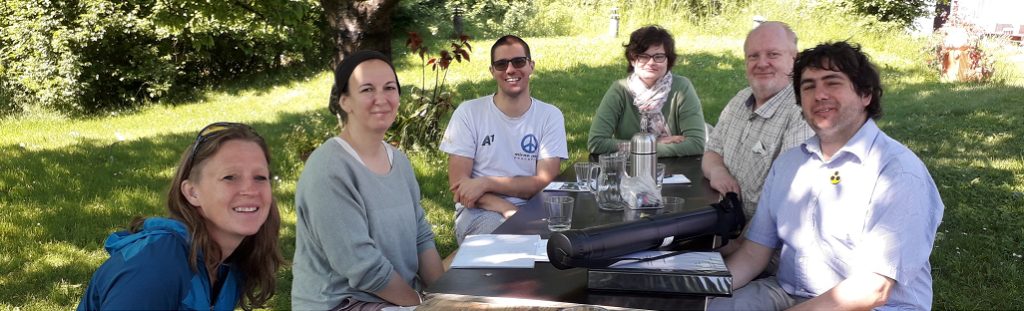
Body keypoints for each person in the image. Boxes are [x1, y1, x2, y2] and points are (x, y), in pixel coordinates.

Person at [708, 41, 944, 311]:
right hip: (789, 292)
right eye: (808, 86)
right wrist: (697, 291)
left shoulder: (896, 172)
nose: (819, 95)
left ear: (865, 95)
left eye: (832, 83)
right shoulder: (788, 165)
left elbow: (874, 288)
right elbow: (752, 254)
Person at [291, 50, 444, 310]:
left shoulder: (400, 161)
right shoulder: (329, 169)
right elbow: (363, 267)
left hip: (397, 297)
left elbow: (420, 236)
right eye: (367, 89)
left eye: (389, 88)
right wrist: (425, 305)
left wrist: (447, 295)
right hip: (343, 302)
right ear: (345, 101)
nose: (381, 99)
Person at [78, 122, 284, 310]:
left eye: (260, 177)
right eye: (230, 177)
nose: (250, 190)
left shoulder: (229, 261)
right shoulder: (154, 268)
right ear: (192, 192)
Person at [440, 35, 568, 244]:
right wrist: (506, 207)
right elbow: (459, 186)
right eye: (501, 64)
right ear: (492, 71)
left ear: (531, 66)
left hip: (535, 207)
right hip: (479, 209)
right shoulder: (468, 113)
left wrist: (486, 182)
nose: (510, 70)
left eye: (518, 62)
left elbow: (544, 182)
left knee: (571, 246)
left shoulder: (549, 116)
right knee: (508, 244)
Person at [701, 21, 814, 255]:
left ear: (794, 59)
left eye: (773, 54)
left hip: (765, 250)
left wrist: (736, 247)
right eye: (753, 56)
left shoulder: (801, 112)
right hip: (722, 228)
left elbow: (783, 198)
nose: (762, 63)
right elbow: (711, 152)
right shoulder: (741, 99)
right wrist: (718, 172)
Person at [588, 25, 706, 157]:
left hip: (678, 170)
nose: (651, 62)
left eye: (659, 56)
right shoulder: (620, 90)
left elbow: (697, 144)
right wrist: (652, 144)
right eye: (643, 56)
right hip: (631, 170)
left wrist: (634, 148)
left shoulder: (681, 87)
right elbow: (596, 143)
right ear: (633, 60)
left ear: (668, 60)